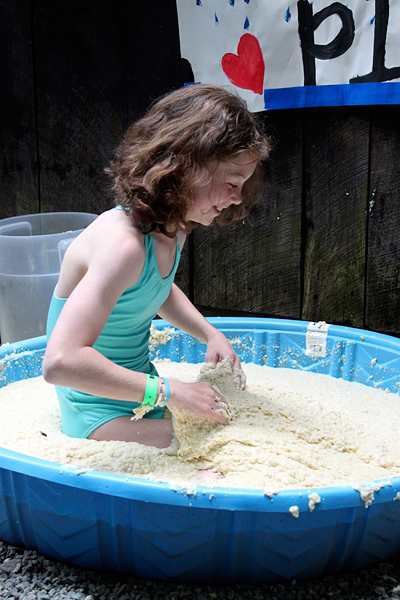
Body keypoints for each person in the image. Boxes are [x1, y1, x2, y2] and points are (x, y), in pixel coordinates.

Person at [42, 83, 271, 449]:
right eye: (231, 182)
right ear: (185, 167)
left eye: (242, 186)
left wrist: (209, 333)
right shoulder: (123, 246)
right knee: (222, 446)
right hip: (95, 408)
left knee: (227, 428)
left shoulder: (173, 227)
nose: (237, 197)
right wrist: (170, 392)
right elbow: (60, 362)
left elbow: (155, 288)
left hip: (141, 393)